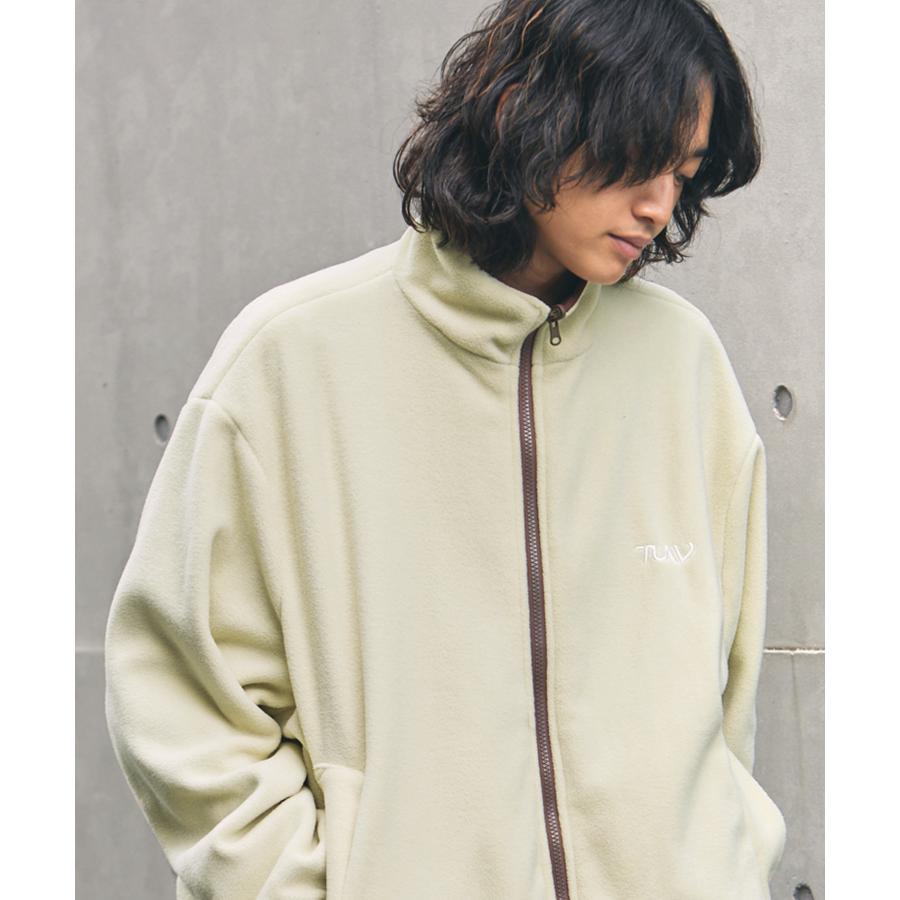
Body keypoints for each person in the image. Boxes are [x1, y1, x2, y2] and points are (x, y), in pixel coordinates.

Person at [104, 1, 787, 898]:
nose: (659, 205)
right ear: (524, 111)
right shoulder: (291, 361)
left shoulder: (684, 366)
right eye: (637, 157)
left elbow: (726, 691)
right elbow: (183, 699)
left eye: (683, 172)